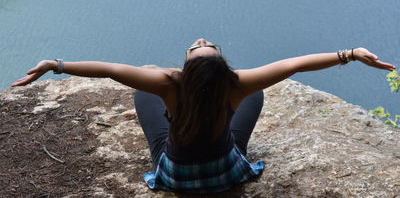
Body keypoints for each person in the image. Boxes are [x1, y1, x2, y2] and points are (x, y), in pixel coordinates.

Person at [12, 38, 396, 194]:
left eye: (199, 46)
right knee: (255, 97)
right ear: (222, 67)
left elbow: (111, 69)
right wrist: (350, 54)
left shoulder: (168, 84)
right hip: (226, 172)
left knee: (143, 98)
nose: (200, 41)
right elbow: (293, 64)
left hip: (176, 176)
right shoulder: (236, 83)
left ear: (185, 69)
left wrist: (56, 65)